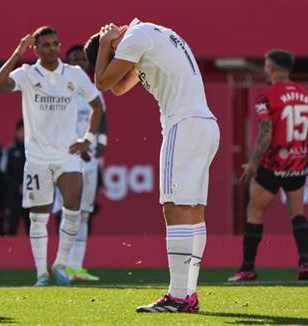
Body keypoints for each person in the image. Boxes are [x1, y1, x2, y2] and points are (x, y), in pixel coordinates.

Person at [84, 19, 220, 312]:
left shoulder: (134, 37)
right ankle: (189, 294)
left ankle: (178, 295)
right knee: (193, 211)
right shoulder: (151, 33)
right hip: (204, 124)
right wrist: (111, 49)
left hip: (182, 125)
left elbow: (103, 83)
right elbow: (119, 88)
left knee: (174, 208)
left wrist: (106, 44)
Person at [0, 26, 103, 286]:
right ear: (35, 48)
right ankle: (41, 273)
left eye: (56, 43)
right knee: (38, 216)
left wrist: (88, 139)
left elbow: (97, 105)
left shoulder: (74, 74)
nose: (53, 48)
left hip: (67, 155)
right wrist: (17, 53)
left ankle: (60, 264)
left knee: (73, 206)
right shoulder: (28, 74)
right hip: (38, 157)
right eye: (46, 45)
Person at [228, 50, 308, 282]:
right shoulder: (306, 96)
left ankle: (248, 267)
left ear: (270, 67)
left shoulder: (266, 96)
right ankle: (304, 262)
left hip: (272, 164)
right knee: (297, 213)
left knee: (255, 212)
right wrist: (304, 163)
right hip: (297, 163)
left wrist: (253, 164)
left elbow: (266, 134)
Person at [52, 44, 108, 281]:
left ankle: (76, 266)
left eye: (83, 61)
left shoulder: (94, 88)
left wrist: (100, 143)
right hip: (67, 157)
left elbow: (101, 118)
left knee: (84, 213)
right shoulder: (59, 88)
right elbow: (53, 125)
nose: (80, 64)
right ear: (66, 61)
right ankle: (61, 264)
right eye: (75, 60)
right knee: (67, 211)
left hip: (90, 159)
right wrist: (79, 145)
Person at [1, 119, 30, 235]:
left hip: (31, 198)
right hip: (13, 198)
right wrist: (17, 186)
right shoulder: (9, 151)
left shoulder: (35, 151)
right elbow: (3, 172)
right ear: (17, 132)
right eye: (21, 131)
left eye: (25, 131)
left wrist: (28, 186)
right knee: (10, 230)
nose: (23, 133)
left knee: (32, 230)